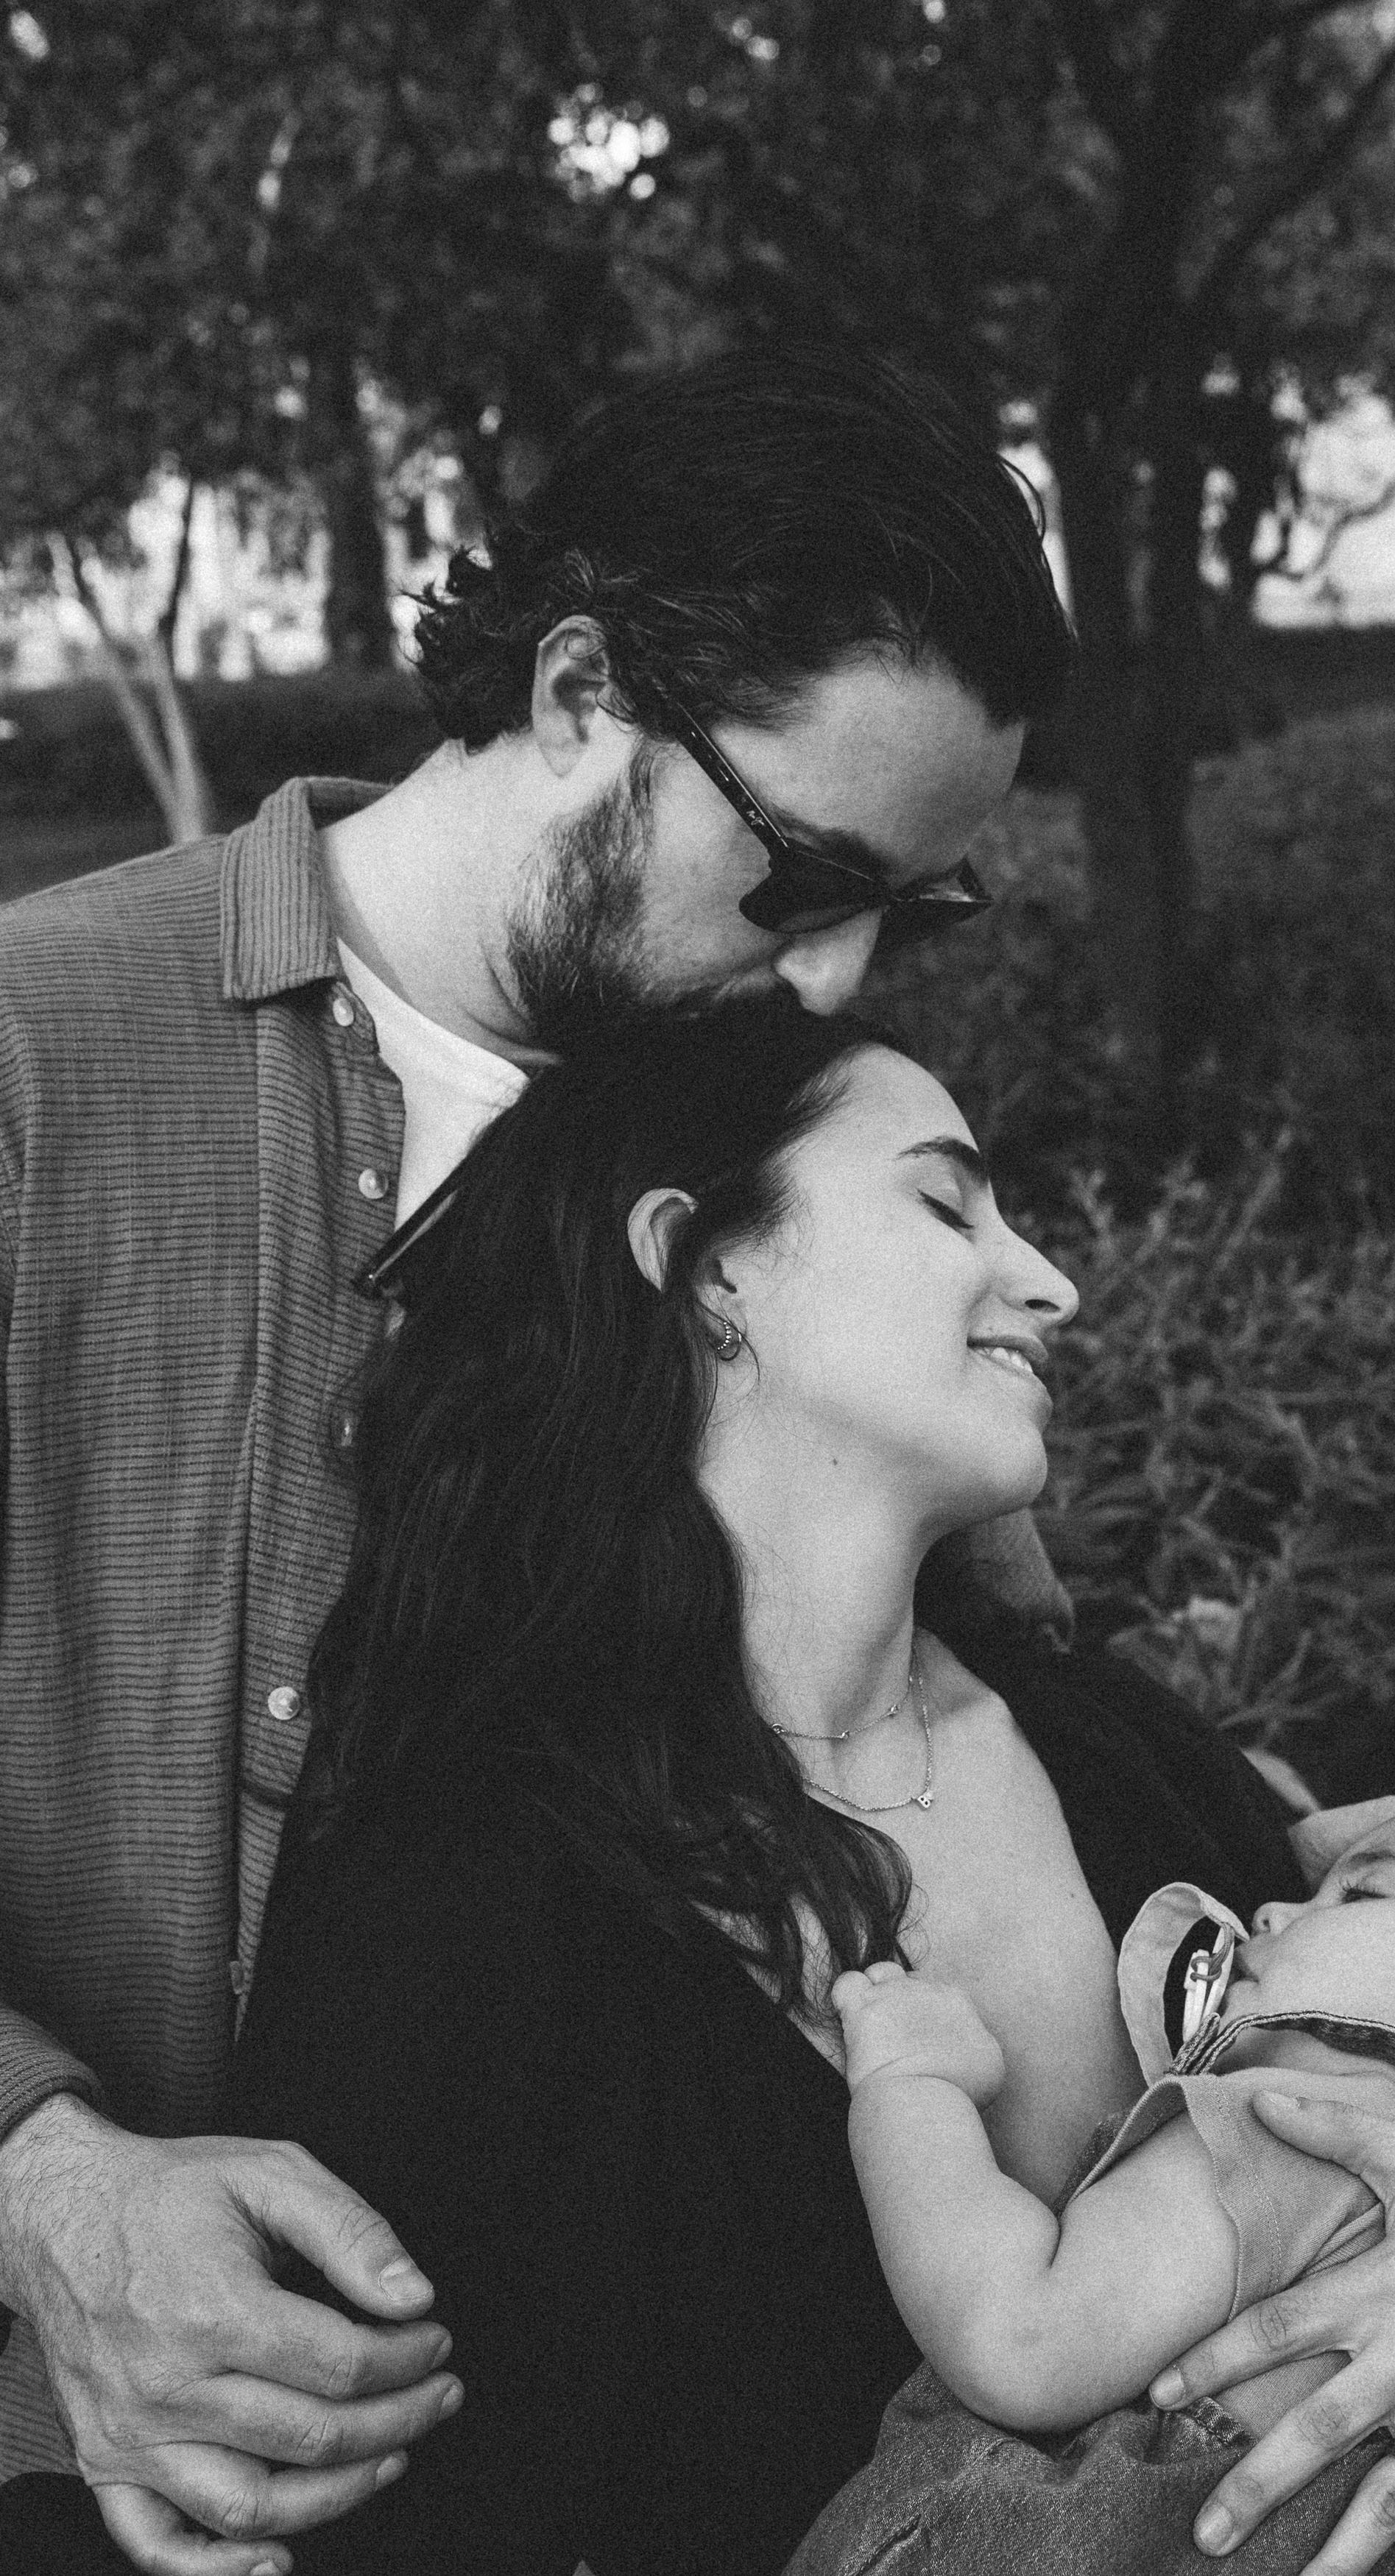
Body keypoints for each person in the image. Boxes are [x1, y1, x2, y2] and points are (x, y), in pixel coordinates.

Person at [0, 344, 1076, 2575]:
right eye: (799, 871)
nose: (843, 973)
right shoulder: (38, 1066)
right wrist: (47, 2182)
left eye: (917, 908)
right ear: (579, 683)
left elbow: (1039, 1761)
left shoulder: (796, 1149)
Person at [155, 1008, 1395, 2576]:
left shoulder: (1124, 1763)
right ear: (707, 1266)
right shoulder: (466, 1889)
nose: (1049, 1282)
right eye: (945, 1205)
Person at [792, 1797, 1395, 2575]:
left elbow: (1017, 2339)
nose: (1268, 1908)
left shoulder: (1302, 2125)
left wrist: (911, 2086)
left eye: (1361, 1895)